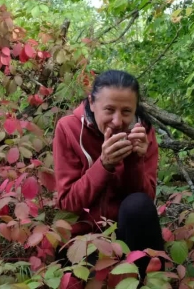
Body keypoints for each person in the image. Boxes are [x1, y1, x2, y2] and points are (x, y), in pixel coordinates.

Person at [53, 69, 164, 280]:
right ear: (92, 103)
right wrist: (104, 165)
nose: (117, 120)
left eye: (126, 112)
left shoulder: (143, 132)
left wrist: (134, 160)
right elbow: (68, 203)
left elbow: (144, 204)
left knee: (138, 204)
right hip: (83, 241)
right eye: (109, 109)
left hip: (127, 235)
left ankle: (147, 280)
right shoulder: (68, 128)